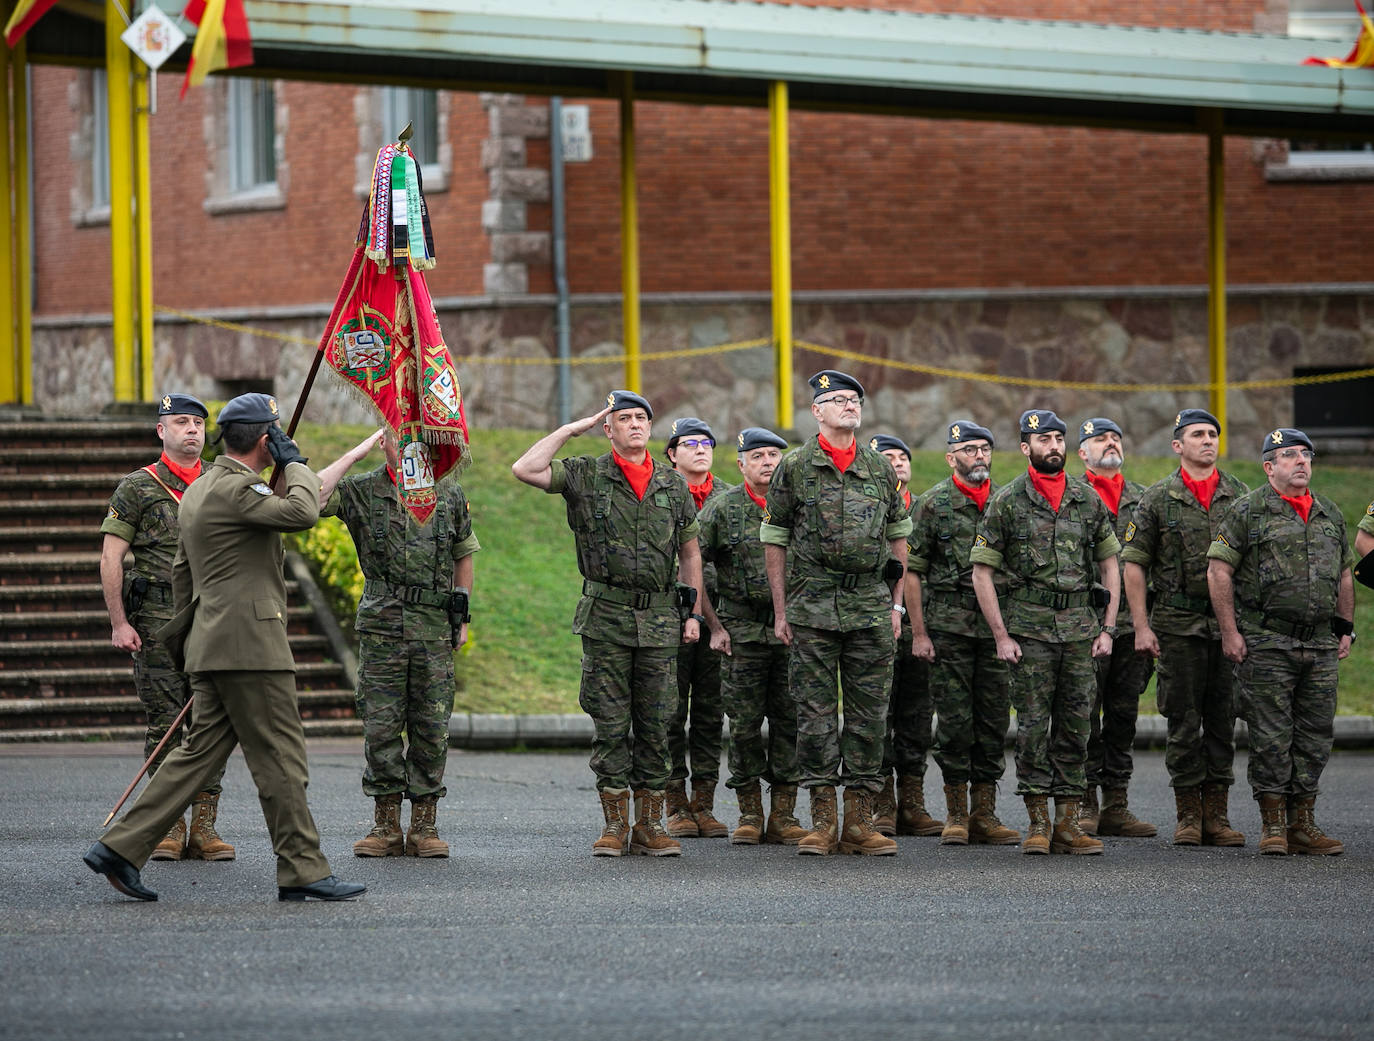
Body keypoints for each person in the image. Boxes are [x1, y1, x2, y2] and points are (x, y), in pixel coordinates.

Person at [83, 393, 366, 902]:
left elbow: (181, 575)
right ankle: (303, 868)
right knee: (282, 759)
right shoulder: (237, 489)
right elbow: (302, 511)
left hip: (214, 645)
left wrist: (191, 645)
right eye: (275, 436)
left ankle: (119, 848)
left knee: (194, 757)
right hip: (250, 647)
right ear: (266, 439)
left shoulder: (202, 489)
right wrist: (295, 462)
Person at [512, 391, 705, 858]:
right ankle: (615, 826)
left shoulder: (670, 482)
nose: (635, 424)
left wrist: (694, 612)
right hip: (607, 618)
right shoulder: (585, 474)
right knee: (612, 724)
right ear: (609, 427)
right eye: (624, 418)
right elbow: (525, 469)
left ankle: (651, 826)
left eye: (642, 418)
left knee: (659, 723)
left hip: (660, 619)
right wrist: (567, 430)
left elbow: (690, 551)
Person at [761, 370, 912, 857]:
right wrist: (782, 610)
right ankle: (822, 820)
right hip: (812, 606)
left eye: (854, 400)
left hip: (869, 606)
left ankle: (860, 822)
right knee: (815, 716)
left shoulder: (879, 467)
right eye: (838, 400)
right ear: (817, 411)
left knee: (870, 717)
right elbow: (775, 539)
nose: (850, 406)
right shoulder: (795, 466)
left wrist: (895, 604)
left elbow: (898, 537)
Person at [316, 428, 480, 859]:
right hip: (383, 626)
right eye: (397, 436)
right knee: (381, 725)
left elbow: (464, 553)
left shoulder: (448, 493)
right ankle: (385, 824)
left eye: (415, 437)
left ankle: (424, 824)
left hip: (433, 627)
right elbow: (310, 499)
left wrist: (461, 618)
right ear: (383, 440)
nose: (408, 445)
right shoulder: (362, 490)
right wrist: (353, 454)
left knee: (431, 726)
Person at [969, 409, 1120, 856]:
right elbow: (981, 571)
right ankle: (1038, 822)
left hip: (1078, 632)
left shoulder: (1085, 498)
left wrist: (1108, 627)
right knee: (1034, 728)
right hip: (1029, 633)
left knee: (1077, 727)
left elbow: (1111, 562)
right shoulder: (1008, 501)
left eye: (1058, 438)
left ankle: (1069, 823)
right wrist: (1001, 635)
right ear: (1025, 448)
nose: (1053, 446)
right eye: (1043, 439)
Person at [99, 393, 235, 863]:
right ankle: (167, 827)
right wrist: (119, 621)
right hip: (156, 621)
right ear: (162, 431)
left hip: (210, 618)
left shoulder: (221, 482)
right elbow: (111, 556)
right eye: (181, 422)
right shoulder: (138, 487)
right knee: (164, 725)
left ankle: (205, 828)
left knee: (210, 723)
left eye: (198, 422)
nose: (192, 430)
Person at [1207, 427, 1354, 856]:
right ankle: (1273, 824)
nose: (1301, 461)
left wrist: (1345, 626)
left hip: (1321, 645)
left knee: (1315, 735)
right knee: (1271, 736)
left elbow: (1344, 573)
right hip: (1268, 642)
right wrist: (1231, 633)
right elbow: (1219, 571)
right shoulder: (1248, 511)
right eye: (1289, 455)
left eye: (1306, 454)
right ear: (1270, 467)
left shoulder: (1329, 513)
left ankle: (1302, 823)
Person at [1120, 408, 1248, 847]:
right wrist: (1141, 625)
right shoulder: (1158, 498)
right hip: (1176, 624)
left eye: (1213, 433)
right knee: (1182, 719)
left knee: (1223, 718)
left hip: (1225, 625)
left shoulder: (1239, 495)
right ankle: (1188, 814)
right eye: (1198, 434)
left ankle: (1218, 814)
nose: (1208, 441)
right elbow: (1134, 565)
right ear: (1178, 445)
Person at [906, 419, 1018, 847]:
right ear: (951, 457)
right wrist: (919, 633)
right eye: (970, 450)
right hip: (949, 628)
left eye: (985, 449)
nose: (980, 457)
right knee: (954, 722)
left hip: (997, 629)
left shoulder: (1008, 503)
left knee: (992, 721)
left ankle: (985, 814)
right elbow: (913, 574)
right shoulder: (933, 505)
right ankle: (956, 813)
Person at [696, 427, 807, 846]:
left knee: (789, 722)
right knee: (743, 725)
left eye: (774, 455)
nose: (767, 462)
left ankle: (783, 814)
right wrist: (715, 625)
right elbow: (690, 563)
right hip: (740, 631)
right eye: (757, 455)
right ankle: (748, 812)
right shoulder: (723, 509)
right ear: (740, 464)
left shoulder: (799, 508)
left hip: (791, 633)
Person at [1073, 417, 1157, 838]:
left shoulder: (1144, 501)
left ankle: (1117, 805)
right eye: (1099, 439)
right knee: (1084, 716)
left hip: (1131, 627)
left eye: (1116, 438)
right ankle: (1085, 803)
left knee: (1123, 716)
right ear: (1082, 453)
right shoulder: (1070, 497)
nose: (1110, 443)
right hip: (1083, 625)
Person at [662, 417, 729, 839]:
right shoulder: (659, 492)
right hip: (667, 618)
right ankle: (675, 805)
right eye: (690, 443)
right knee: (669, 712)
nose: (701, 449)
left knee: (709, 712)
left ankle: (704, 805)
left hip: (721, 620)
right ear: (672, 453)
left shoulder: (728, 496)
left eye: (707, 442)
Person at [869, 433, 936, 838]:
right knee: (877, 718)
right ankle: (882, 806)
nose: (897, 462)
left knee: (916, 718)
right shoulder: (866, 509)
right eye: (887, 457)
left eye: (901, 456)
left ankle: (913, 804)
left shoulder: (926, 510)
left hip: (919, 628)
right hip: (873, 623)